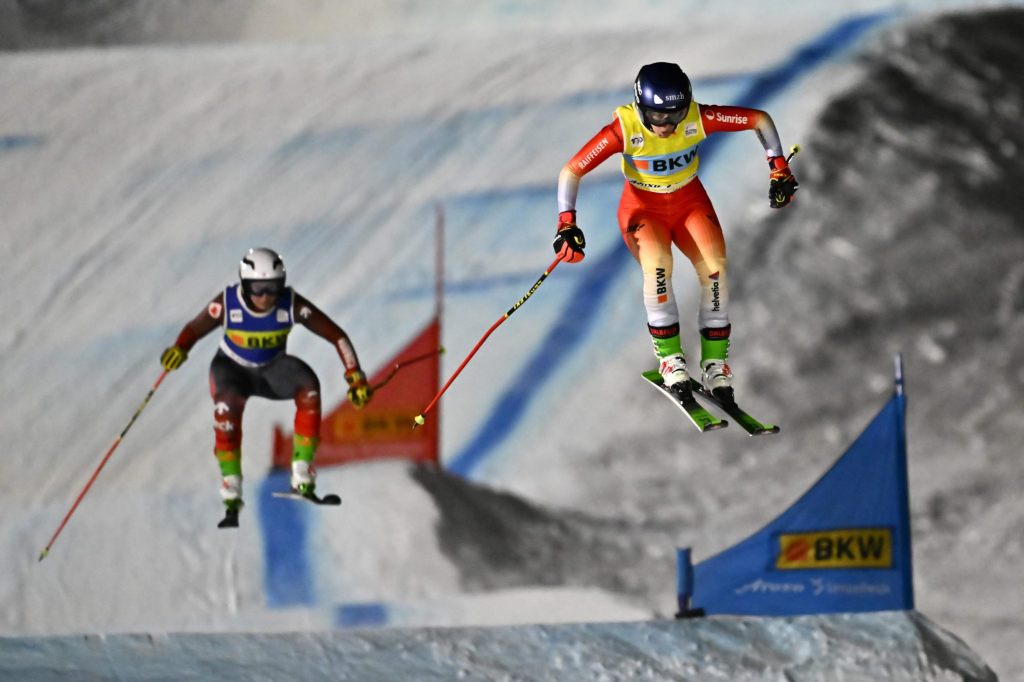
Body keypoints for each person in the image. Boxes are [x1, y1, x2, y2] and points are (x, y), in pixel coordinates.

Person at [553, 62, 798, 400]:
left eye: (676, 113)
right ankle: (670, 359)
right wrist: (566, 223)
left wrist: (778, 168)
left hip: (689, 204)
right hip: (643, 210)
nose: (667, 125)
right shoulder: (624, 129)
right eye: (657, 117)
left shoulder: (698, 118)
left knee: (715, 272)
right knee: (657, 267)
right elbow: (572, 170)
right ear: (641, 107)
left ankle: (715, 365)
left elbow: (759, 120)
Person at [159, 247, 372, 528]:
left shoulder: (291, 304)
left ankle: (302, 476)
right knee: (227, 415)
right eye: (257, 289)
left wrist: (354, 375)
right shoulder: (228, 302)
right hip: (232, 369)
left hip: (272, 368)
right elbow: (195, 328)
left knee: (309, 387)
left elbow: (337, 336)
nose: (265, 297)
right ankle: (231, 492)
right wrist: (180, 348)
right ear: (245, 285)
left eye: (272, 288)